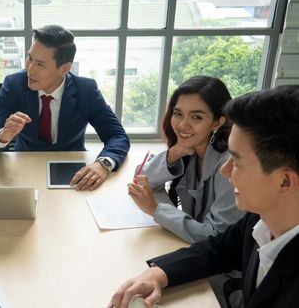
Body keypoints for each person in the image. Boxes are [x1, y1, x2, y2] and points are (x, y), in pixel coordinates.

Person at [108, 85, 299, 308]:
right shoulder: (259, 221)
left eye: (236, 162)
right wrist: (158, 274)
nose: (224, 170)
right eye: (178, 114)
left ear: (285, 182)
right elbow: (217, 249)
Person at [0, 25, 130, 191]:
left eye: (40, 64)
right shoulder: (13, 84)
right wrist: (3, 135)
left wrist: (103, 164)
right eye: (29, 58)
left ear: (64, 68)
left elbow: (117, 136)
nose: (30, 69)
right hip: (24, 167)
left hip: (72, 173)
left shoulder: (86, 90)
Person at [128, 76, 245, 244]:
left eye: (196, 117)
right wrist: (173, 154)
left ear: (217, 122)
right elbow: (142, 179)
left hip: (223, 266)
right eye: (177, 114)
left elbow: (216, 236)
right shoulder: (191, 149)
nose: (183, 125)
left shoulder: (229, 166)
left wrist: (155, 210)